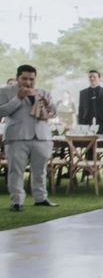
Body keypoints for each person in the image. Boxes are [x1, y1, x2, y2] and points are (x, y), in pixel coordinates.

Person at [0, 65, 58, 211]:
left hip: (42, 137)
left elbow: (54, 112)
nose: (28, 82)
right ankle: (17, 201)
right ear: (18, 77)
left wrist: (48, 104)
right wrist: (18, 98)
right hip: (17, 137)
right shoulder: (5, 92)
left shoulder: (43, 92)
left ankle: (41, 198)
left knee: (40, 170)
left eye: (31, 79)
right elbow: (2, 111)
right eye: (24, 79)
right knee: (16, 171)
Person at [78, 69, 103, 134]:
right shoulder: (83, 93)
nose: (92, 78)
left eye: (94, 77)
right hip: (86, 124)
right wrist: (80, 125)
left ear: (99, 78)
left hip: (102, 123)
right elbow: (81, 110)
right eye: (90, 77)